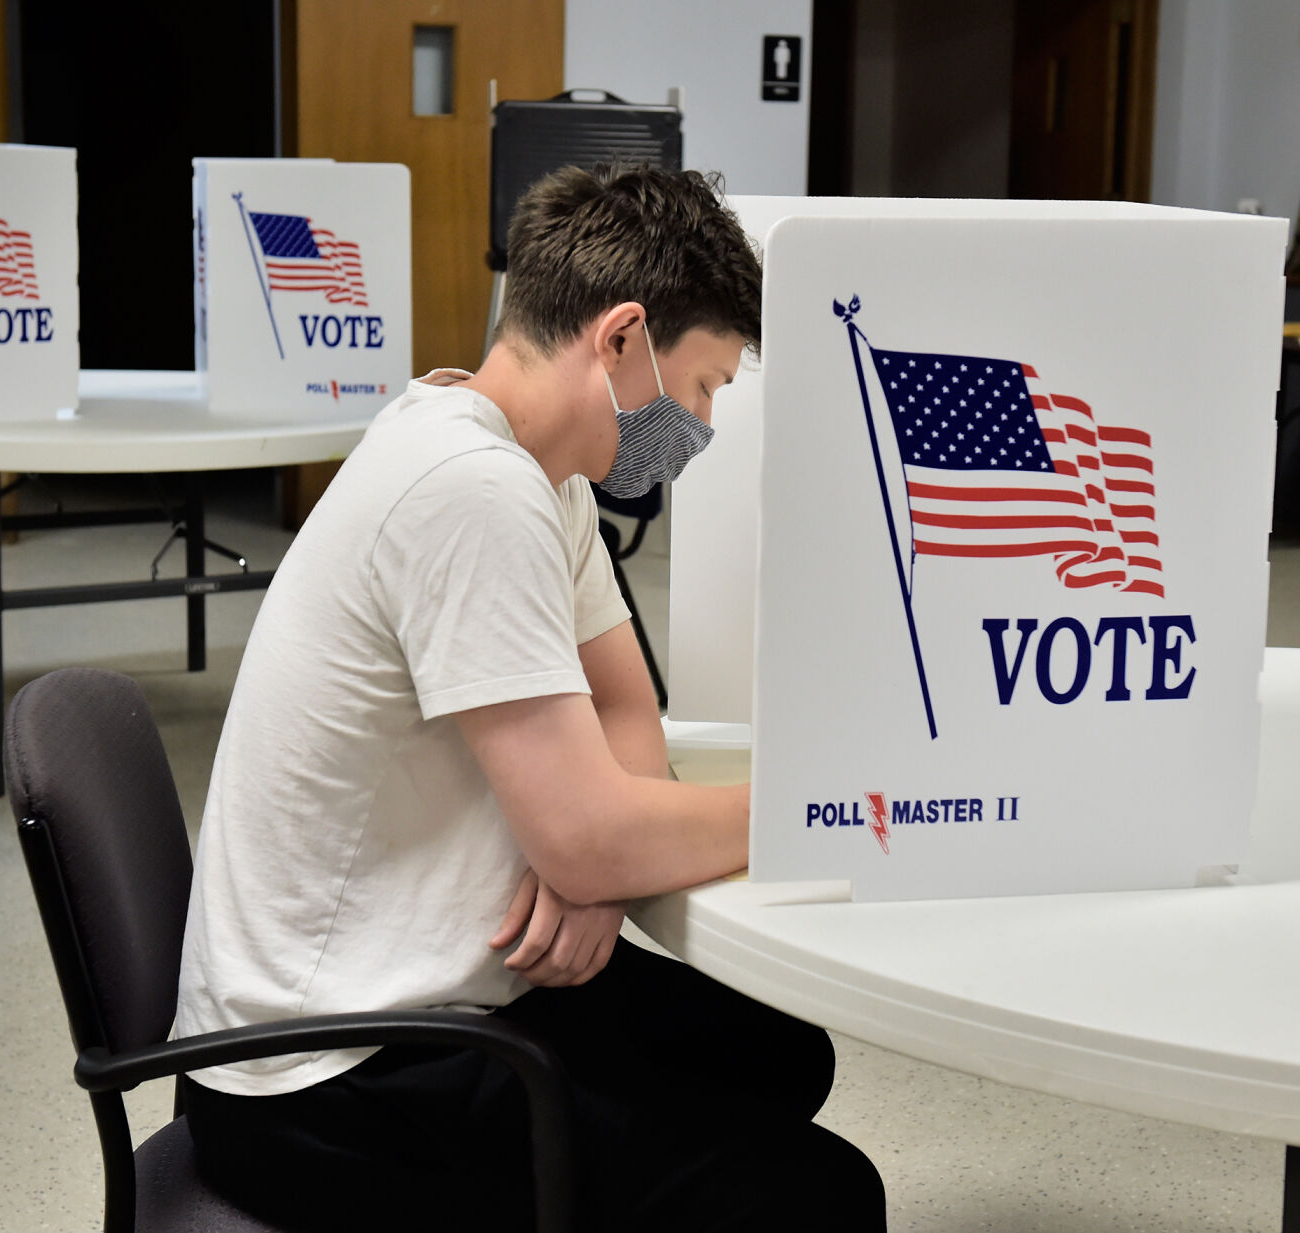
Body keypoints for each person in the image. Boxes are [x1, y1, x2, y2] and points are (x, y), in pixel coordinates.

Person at [174, 164, 887, 1232]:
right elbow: (593, 826)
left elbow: (626, 710)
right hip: (326, 1072)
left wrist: (598, 862)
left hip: (437, 982)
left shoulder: (530, 469)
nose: (696, 425)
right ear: (621, 337)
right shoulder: (471, 490)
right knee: (822, 1197)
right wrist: (824, 804)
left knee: (779, 1054)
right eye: (703, 387)